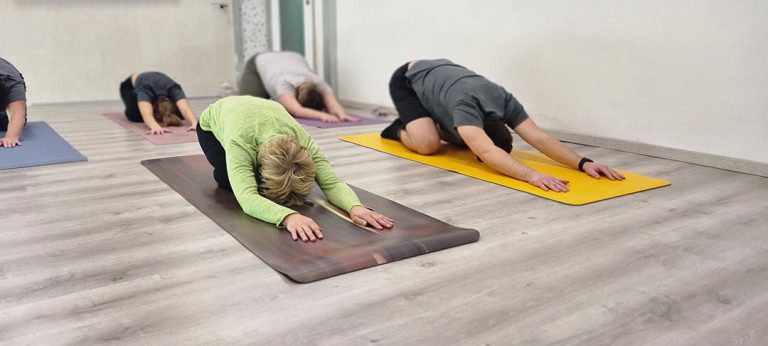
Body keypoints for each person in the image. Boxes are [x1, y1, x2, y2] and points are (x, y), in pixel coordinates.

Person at [381, 59, 625, 192]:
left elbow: (538, 137)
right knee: (427, 144)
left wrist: (584, 163)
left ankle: (429, 121)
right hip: (409, 79)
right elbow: (487, 151)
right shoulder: (465, 107)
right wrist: (532, 175)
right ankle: (400, 127)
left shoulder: (505, 100)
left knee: (478, 139)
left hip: (445, 80)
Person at [197, 96, 393, 242]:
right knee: (229, 182)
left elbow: (332, 182)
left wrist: (355, 206)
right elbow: (247, 199)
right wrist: (288, 217)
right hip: (212, 124)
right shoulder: (240, 142)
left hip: (262, 113)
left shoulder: (304, 141)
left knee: (260, 185)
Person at [240, 51, 357, 123]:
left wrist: (342, 115)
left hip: (291, 58)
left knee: (276, 104)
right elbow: (296, 111)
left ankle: (273, 92)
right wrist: (323, 115)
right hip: (260, 61)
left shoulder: (318, 82)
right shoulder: (284, 82)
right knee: (248, 107)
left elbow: (332, 105)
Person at [119, 72, 197, 135]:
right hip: (130, 85)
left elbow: (185, 109)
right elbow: (146, 114)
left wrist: (195, 123)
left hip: (157, 79)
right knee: (134, 115)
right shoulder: (145, 90)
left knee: (181, 114)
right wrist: (155, 126)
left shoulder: (174, 88)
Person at [1, 57, 28, 148]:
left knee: (4, 124)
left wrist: (11, 136)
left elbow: (18, 112)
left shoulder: (13, 83)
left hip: (8, 82)